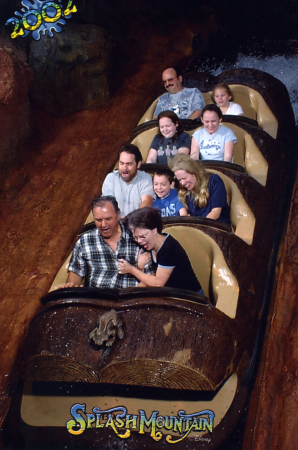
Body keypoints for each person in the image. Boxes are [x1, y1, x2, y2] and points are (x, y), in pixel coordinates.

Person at [57, 196, 153, 289]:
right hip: (96, 300)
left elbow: (151, 277)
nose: (103, 225)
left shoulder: (137, 237)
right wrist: (71, 287)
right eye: (98, 220)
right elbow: (75, 277)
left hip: (129, 298)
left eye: (108, 219)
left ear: (118, 215)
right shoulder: (85, 241)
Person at [118, 207, 203, 293]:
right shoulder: (148, 245)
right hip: (170, 296)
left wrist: (131, 269)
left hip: (190, 297)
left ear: (154, 230)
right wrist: (140, 267)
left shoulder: (169, 248)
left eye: (142, 236)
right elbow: (148, 278)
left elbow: (158, 283)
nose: (139, 241)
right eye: (135, 238)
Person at [168, 154, 230, 224]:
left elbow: (216, 212)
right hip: (196, 230)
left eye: (184, 178)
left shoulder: (214, 181)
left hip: (216, 226)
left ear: (194, 173)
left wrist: (200, 227)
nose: (182, 183)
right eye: (179, 180)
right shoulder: (184, 192)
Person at [102, 144, 155, 217]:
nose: (124, 168)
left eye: (129, 164)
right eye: (121, 163)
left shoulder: (145, 178)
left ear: (138, 164)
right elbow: (107, 205)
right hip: (115, 224)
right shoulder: (111, 178)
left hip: (137, 224)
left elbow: (147, 202)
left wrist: (129, 219)